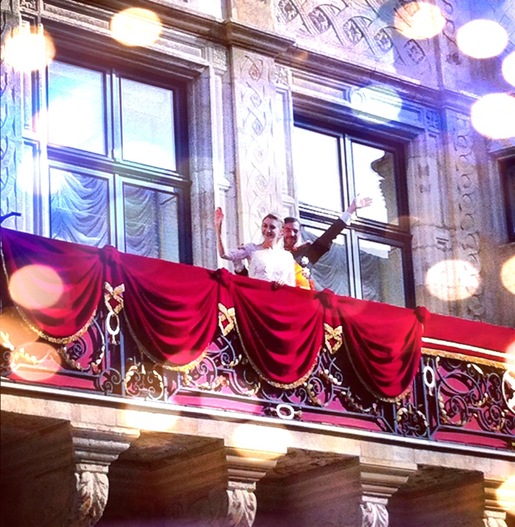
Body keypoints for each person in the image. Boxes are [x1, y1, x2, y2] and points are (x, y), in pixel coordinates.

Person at [283, 195, 373, 289]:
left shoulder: (306, 253)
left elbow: (329, 236)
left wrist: (351, 210)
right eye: (287, 230)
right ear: (281, 231)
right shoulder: (274, 253)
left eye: (295, 231)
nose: (292, 234)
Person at [214, 207, 295, 287]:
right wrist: (219, 230)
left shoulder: (287, 257)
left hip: (279, 295)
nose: (267, 230)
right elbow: (225, 254)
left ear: (281, 231)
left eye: (272, 227)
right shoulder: (252, 249)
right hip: (256, 294)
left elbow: (293, 286)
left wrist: (284, 283)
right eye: (265, 226)